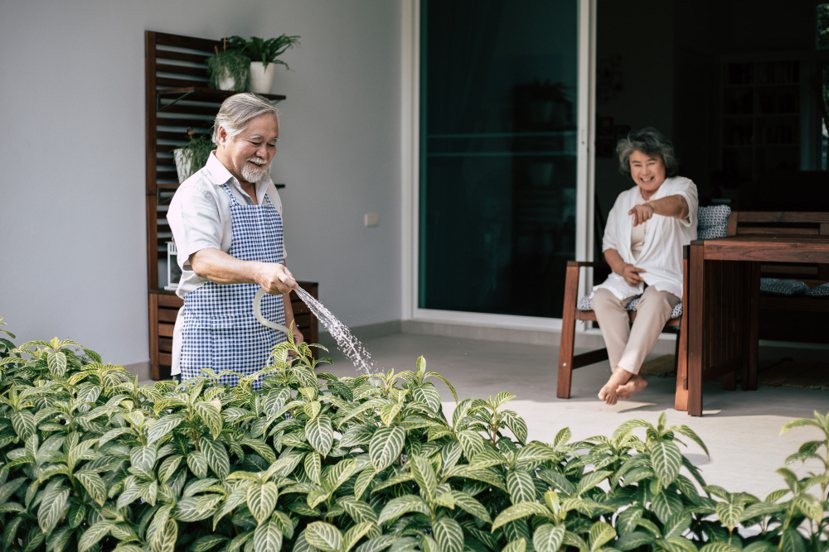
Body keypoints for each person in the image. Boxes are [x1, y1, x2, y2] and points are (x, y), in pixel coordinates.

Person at [168, 92, 304, 385]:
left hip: (269, 347)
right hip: (213, 350)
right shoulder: (199, 192)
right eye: (255, 142)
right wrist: (257, 271)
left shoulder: (268, 192)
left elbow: (277, 265)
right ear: (222, 134)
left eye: (272, 144)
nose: (264, 153)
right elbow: (203, 260)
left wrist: (290, 327)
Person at [591, 127, 698, 405]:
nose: (645, 171)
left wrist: (652, 208)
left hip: (666, 276)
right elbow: (609, 245)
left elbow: (679, 206)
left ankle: (620, 375)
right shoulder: (625, 199)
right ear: (629, 167)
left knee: (654, 300)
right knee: (602, 297)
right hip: (629, 277)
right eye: (637, 164)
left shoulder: (683, 186)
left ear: (665, 162)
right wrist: (620, 268)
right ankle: (633, 378)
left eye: (651, 162)